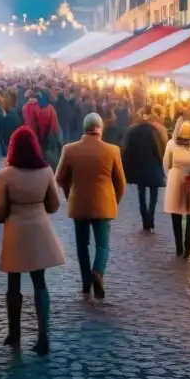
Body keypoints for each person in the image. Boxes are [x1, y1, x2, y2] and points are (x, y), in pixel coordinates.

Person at [0, 126, 65, 355]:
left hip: (15, 231)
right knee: (40, 283)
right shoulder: (46, 171)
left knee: (13, 284)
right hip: (40, 229)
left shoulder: (5, 174)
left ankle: (14, 333)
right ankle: (44, 335)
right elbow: (54, 204)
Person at [55, 113, 126, 302]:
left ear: (84, 128)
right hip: (103, 203)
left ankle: (86, 280)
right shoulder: (112, 150)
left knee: (82, 244)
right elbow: (121, 181)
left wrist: (69, 192)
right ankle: (97, 272)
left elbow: (59, 176)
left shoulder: (69, 149)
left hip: (79, 202)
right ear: (100, 129)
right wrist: (114, 200)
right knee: (103, 244)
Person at [163, 121, 190, 258]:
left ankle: (179, 246)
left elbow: (166, 163)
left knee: (176, 215)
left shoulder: (171, 144)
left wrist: (169, 175)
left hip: (175, 180)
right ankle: (188, 246)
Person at [120, 115, 166, 231]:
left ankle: (145, 218)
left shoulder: (133, 132)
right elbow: (160, 148)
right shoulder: (154, 132)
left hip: (139, 166)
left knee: (141, 193)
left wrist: (126, 167)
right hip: (153, 165)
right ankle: (151, 216)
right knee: (153, 194)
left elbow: (126, 150)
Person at [24, 91, 63, 168]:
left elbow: (30, 125)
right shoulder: (49, 107)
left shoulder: (26, 108)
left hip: (36, 140)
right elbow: (55, 125)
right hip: (49, 139)